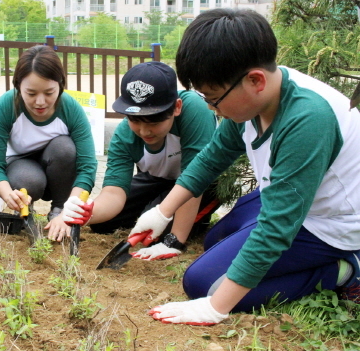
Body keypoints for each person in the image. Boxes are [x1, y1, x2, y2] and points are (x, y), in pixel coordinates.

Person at [111, 8, 360, 325]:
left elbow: (276, 229)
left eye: (213, 97)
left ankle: (343, 269)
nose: (210, 107)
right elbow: (211, 158)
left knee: (203, 284)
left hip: (332, 223)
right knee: (216, 240)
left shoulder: (307, 120)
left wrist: (215, 307)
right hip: (298, 198)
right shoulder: (257, 95)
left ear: (255, 80)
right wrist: (163, 212)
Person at [61, 61, 219, 257]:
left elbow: (195, 177)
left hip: (201, 185)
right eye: (134, 119)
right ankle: (152, 209)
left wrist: (174, 241)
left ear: (176, 107)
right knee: (104, 223)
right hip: (157, 180)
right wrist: (87, 213)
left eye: (153, 121)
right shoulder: (123, 135)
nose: (144, 131)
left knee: (160, 233)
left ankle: (184, 223)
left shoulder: (194, 110)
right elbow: (113, 192)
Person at [0, 45, 97, 240]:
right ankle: (26, 209)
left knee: (65, 148)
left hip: (58, 165)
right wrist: (8, 194)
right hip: (20, 164)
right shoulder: (6, 106)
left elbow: (88, 166)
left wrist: (69, 212)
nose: (40, 102)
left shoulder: (70, 109)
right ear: (18, 86)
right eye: (31, 93)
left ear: (60, 85)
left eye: (49, 92)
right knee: (29, 181)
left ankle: (59, 209)